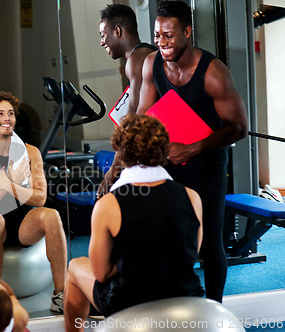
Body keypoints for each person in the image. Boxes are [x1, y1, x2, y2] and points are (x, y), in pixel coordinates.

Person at [136, 0, 248, 302]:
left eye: (169, 36)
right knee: (165, 236)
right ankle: (172, 303)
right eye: (157, 35)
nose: (161, 43)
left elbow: (238, 127)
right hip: (167, 160)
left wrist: (193, 149)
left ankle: (215, 307)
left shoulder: (213, 73)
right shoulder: (152, 64)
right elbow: (143, 114)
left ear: (187, 32)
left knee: (210, 242)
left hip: (207, 163)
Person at [64, 114, 205, 331]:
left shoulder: (108, 204)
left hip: (132, 302)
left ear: (121, 153)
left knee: (74, 267)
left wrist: (131, 261)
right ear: (164, 149)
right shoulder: (192, 196)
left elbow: (101, 273)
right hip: (187, 296)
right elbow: (190, 253)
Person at [0, 91, 67, 313]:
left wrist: (8, 185)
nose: (7, 118)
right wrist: (9, 182)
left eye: (10, 113)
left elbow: (40, 197)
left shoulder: (30, 152)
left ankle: (61, 293)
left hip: (21, 219)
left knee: (52, 215)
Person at [97, 3, 157, 198]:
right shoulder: (143, 54)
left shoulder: (137, 59)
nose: (101, 42)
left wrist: (112, 171)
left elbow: (133, 122)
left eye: (103, 35)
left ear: (117, 31)